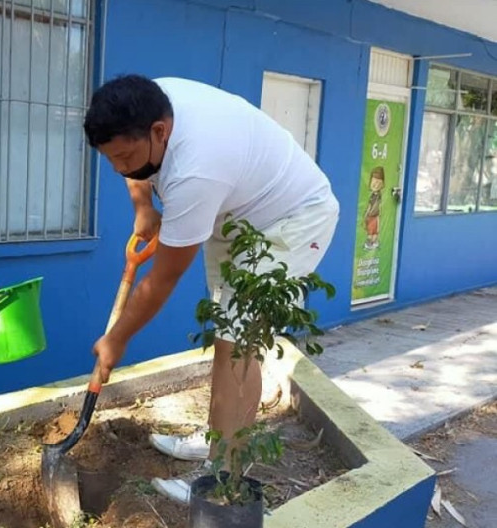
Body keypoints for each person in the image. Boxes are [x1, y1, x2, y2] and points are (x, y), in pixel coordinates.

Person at [83, 75, 339, 503]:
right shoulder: (147, 103)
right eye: (109, 159)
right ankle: (220, 437)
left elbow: (162, 280)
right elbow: (134, 165)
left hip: (294, 218)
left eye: (123, 157)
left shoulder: (195, 172)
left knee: (236, 343)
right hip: (235, 210)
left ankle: (222, 476)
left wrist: (116, 339)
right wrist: (144, 207)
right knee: (228, 326)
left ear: (159, 132)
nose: (118, 167)